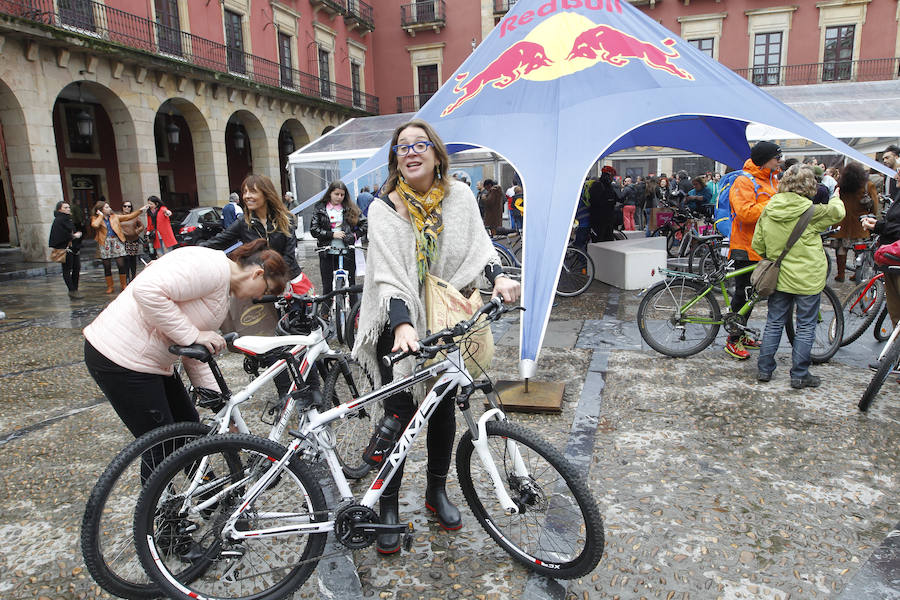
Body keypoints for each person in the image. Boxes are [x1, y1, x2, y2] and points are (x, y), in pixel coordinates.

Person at [352, 118, 520, 555]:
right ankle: (387, 507)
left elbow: (480, 249)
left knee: (444, 408)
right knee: (400, 415)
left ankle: (437, 492)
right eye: (402, 147)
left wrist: (499, 277)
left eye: (419, 145)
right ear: (396, 158)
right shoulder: (383, 207)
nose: (410, 152)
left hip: (449, 317)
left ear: (435, 153)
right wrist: (404, 324)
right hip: (399, 320)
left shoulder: (460, 197)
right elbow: (388, 276)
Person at [83, 240, 288, 446]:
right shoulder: (211, 268)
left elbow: (196, 353)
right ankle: (166, 478)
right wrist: (192, 335)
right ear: (257, 274)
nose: (260, 296)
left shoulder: (222, 289)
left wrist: (223, 409)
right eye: (265, 291)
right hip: (119, 356)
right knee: (161, 447)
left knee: (188, 432)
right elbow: (146, 290)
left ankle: (201, 479)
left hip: (151, 361)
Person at [753, 164, 845, 388]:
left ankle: (764, 370)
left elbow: (758, 244)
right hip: (808, 278)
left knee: (774, 322)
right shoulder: (813, 212)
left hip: (780, 276)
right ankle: (799, 374)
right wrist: (835, 197)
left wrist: (774, 254)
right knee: (805, 325)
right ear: (810, 186)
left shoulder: (769, 208)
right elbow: (839, 213)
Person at [725, 140, 781, 360]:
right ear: (765, 159)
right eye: (777, 157)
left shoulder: (772, 180)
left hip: (764, 248)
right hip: (745, 247)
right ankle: (733, 339)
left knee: (753, 296)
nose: (780, 161)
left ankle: (742, 332)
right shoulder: (744, 181)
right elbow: (745, 213)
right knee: (743, 294)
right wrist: (774, 205)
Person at [862, 148, 900, 344]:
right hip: (892, 260)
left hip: (897, 259)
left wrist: (879, 226)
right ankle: (895, 359)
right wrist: (878, 226)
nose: (897, 174)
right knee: (895, 313)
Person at [310, 180, 367, 299]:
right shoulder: (320, 208)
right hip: (327, 253)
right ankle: (325, 314)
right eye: (336, 194)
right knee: (327, 287)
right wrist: (331, 234)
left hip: (347, 252)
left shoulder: (351, 207)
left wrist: (354, 236)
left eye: (342, 195)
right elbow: (314, 230)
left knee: (351, 287)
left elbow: (365, 224)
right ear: (330, 193)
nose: (339, 197)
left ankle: (354, 315)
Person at [833, 162, 879, 282]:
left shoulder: (840, 185)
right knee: (859, 250)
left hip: (842, 222)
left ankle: (840, 274)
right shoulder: (867, 185)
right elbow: (874, 206)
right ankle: (857, 273)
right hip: (860, 223)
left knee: (841, 250)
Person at [91, 200, 146, 294]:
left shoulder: (114, 217)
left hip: (116, 241)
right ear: (101, 210)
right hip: (104, 242)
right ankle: (110, 286)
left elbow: (128, 217)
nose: (110, 209)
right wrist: (100, 216)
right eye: (107, 207)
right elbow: (95, 225)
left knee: (121, 264)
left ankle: (123, 284)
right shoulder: (95, 218)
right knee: (107, 266)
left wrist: (140, 210)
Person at [49, 201, 84, 299]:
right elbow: (59, 235)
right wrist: (73, 236)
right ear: (60, 209)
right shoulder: (59, 220)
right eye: (65, 207)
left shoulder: (68, 219)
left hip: (73, 248)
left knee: (77, 268)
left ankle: (75, 289)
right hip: (66, 248)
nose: (68, 209)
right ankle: (72, 290)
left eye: (68, 207)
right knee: (67, 269)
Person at [588, 166, 619, 242]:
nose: (612, 179)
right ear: (607, 176)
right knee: (600, 241)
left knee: (606, 241)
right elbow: (595, 201)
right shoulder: (598, 185)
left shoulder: (608, 186)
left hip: (606, 220)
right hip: (599, 220)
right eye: (612, 176)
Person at [119, 201, 145, 283]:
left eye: (129, 206)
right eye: (125, 206)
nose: (127, 208)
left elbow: (141, 226)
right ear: (122, 207)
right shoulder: (119, 217)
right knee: (125, 259)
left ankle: (133, 276)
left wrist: (136, 231)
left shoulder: (135, 216)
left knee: (133, 259)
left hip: (133, 240)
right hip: (123, 241)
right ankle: (126, 277)